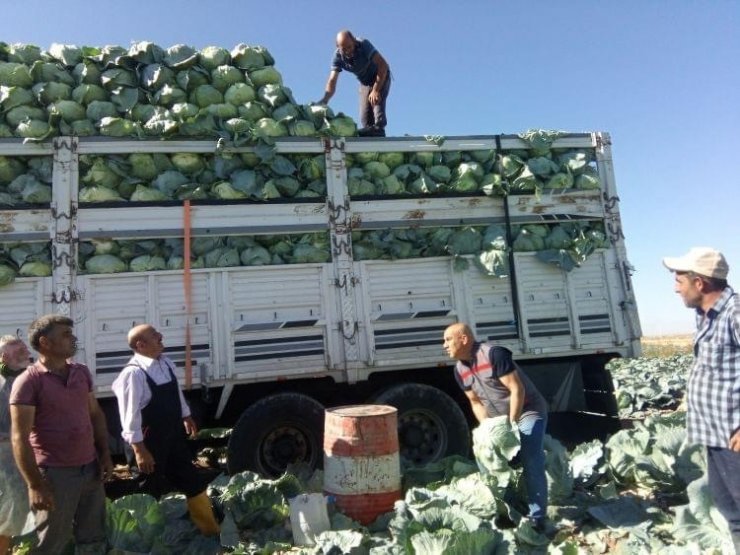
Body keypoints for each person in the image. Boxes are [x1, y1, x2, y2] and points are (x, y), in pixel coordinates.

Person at [10, 315, 112, 554]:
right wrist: (35, 484)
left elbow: (95, 415)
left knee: (93, 537)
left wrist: (105, 454)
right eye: (66, 334)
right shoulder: (28, 382)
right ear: (45, 342)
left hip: (90, 468)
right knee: (52, 541)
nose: (73, 338)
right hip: (55, 475)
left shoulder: (81, 372)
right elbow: (19, 438)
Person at [663, 247, 740, 551]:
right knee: (730, 510)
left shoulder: (735, 312)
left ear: (700, 283)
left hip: (734, 436)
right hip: (716, 434)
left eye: (679, 279)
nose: (675, 287)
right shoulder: (706, 316)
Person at [111, 324, 220, 536]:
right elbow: (129, 416)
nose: (160, 337)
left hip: (172, 438)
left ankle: (210, 531)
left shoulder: (166, 363)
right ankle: (143, 540)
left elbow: (176, 394)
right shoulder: (133, 374)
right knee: (147, 490)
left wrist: (186, 415)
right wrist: (140, 450)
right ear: (141, 345)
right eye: (154, 336)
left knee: (192, 480)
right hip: (148, 443)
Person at [443, 322, 549, 531]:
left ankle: (538, 517)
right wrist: (488, 430)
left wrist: (511, 424)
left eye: (448, 340)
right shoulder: (459, 370)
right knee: (485, 456)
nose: (444, 345)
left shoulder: (494, 354)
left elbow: (516, 389)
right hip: (497, 419)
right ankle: (511, 507)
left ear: (463, 339)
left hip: (528, 410)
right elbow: (475, 402)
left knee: (530, 456)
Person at [318, 29, 391, 137]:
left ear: (354, 42)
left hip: (380, 75)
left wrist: (375, 90)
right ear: (338, 47)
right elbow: (332, 80)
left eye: (350, 47)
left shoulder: (363, 44)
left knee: (376, 103)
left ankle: (379, 129)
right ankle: (371, 141)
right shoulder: (337, 57)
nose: (348, 51)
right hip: (365, 82)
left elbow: (383, 65)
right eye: (344, 49)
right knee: (365, 119)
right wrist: (325, 99)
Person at [0, 336, 32, 555]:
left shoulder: (35, 377)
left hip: (35, 452)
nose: (23, 351)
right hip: (6, 457)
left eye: (24, 348)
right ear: (3, 357)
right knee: (7, 511)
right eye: (17, 350)